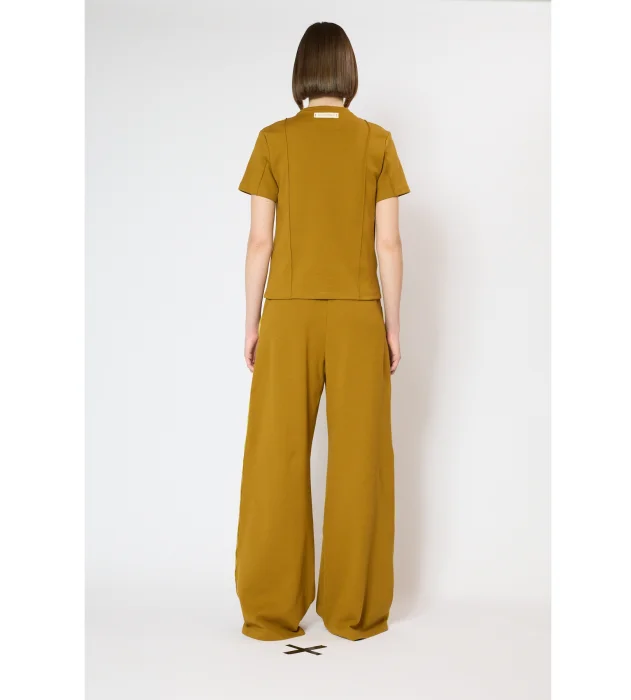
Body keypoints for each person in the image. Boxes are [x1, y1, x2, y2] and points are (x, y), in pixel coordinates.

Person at [235, 21, 410, 642]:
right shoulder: (377, 142)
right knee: (361, 460)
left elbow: (260, 242)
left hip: (287, 314)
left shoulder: (273, 140)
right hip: (359, 314)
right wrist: (392, 326)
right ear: (348, 73)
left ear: (302, 74)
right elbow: (388, 244)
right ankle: (352, 612)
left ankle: (270, 611)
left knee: (275, 458)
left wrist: (252, 321)